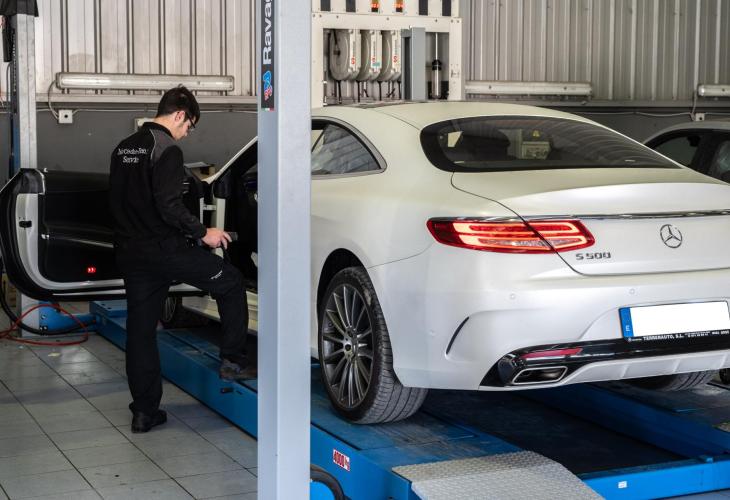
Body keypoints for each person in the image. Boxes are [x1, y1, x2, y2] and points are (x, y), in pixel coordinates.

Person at [109, 86, 250, 433]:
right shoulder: (167, 149)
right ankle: (232, 360)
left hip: (131, 253)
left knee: (140, 332)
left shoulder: (123, 148)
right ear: (179, 115)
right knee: (231, 282)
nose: (187, 133)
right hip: (165, 251)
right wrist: (204, 233)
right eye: (189, 126)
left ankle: (144, 413)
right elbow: (169, 206)